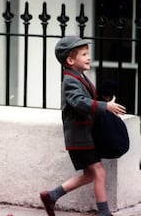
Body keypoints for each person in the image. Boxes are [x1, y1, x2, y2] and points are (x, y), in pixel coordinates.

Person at [39, 35, 126, 216]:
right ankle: (104, 213)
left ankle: (52, 195)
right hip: (80, 138)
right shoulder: (70, 80)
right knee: (99, 172)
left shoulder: (80, 77)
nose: (89, 57)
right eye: (84, 54)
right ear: (70, 60)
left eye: (88, 53)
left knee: (89, 174)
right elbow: (78, 102)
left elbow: (87, 100)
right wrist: (104, 106)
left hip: (86, 136)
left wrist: (104, 99)